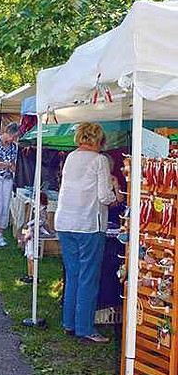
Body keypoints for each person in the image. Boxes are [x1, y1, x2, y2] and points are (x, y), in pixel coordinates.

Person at [55, 122, 122, 344]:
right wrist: (116, 194)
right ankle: (85, 328)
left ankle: (69, 323)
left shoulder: (72, 157)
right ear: (100, 140)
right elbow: (104, 196)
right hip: (88, 224)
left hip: (65, 222)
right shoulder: (100, 160)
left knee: (73, 274)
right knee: (88, 278)